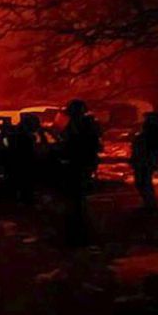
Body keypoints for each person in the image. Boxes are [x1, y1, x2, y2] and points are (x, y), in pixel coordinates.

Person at [60, 99, 102, 245]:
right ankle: (80, 231)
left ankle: (80, 233)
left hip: (79, 165)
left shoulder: (83, 126)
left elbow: (74, 144)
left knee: (76, 200)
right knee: (77, 199)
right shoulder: (85, 125)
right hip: (81, 164)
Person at [130, 112, 158, 211]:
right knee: (143, 182)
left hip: (146, 160)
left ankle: (150, 204)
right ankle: (149, 203)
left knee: (143, 182)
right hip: (145, 160)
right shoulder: (154, 133)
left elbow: (147, 147)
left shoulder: (153, 134)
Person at [5, 115, 40, 203]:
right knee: (25, 185)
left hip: (16, 165)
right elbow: (30, 153)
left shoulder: (14, 135)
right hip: (24, 165)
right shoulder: (26, 137)